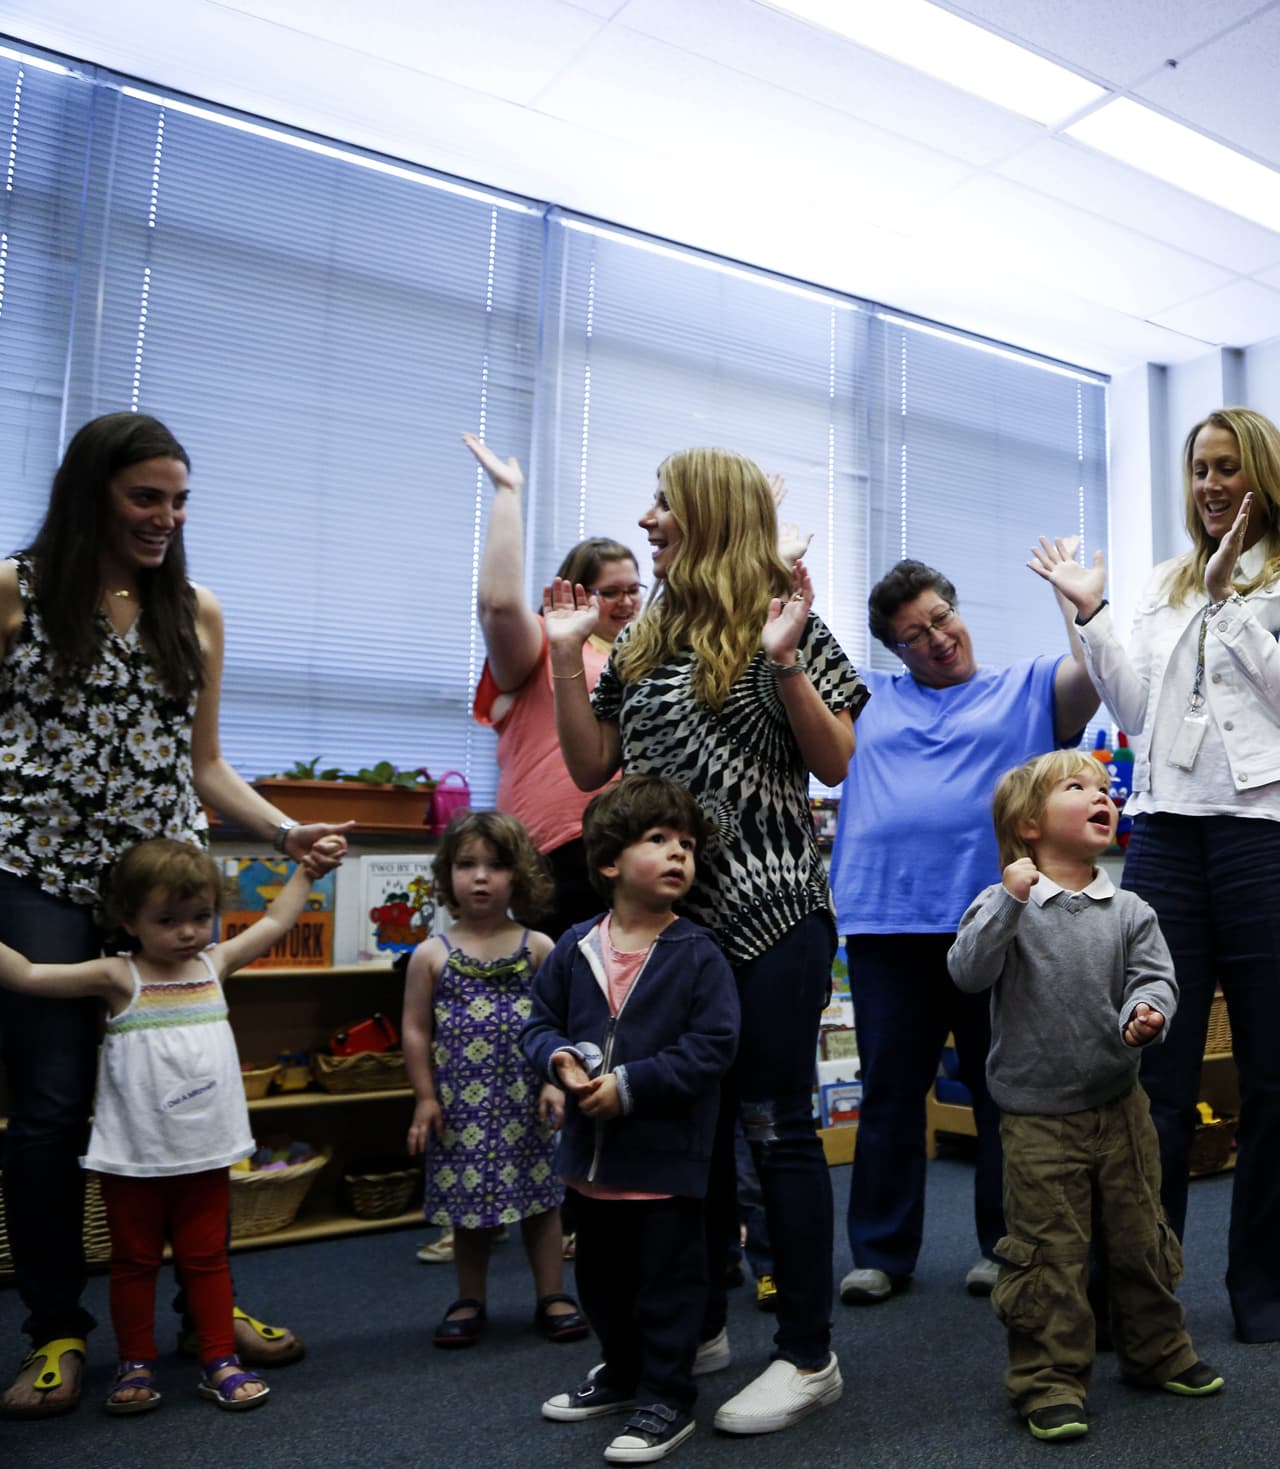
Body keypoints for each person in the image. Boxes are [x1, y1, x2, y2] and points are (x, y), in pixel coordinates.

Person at [0, 412, 351, 1420]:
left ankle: (207, 1307)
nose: (165, 516)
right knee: (56, 1107)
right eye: (144, 496)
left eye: (178, 499)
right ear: (92, 494)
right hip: (36, 876)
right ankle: (58, 1329)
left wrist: (287, 835)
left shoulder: (194, 611)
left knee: (186, 1101)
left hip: (161, 883)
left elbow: (203, 765)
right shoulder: (16, 593)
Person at [547, 447, 866, 1437]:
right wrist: (567, 653)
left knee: (773, 1131)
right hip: (674, 931)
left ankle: (807, 1353)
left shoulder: (788, 609)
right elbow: (592, 762)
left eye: (661, 504)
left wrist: (780, 659)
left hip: (769, 915)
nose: (645, 519)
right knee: (684, 1141)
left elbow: (836, 759)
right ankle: (690, 1332)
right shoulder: (643, 629)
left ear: (706, 512)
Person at [1029, 405, 1280, 1345]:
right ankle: (1140, 1289)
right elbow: (1133, 706)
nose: (1212, 486)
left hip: (1264, 837)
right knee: (1156, 1076)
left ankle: (1262, 1285)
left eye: (1228, 468)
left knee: (1271, 1077)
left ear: (1261, 475)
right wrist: (1089, 611)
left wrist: (1229, 605)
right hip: (1170, 838)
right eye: (1200, 471)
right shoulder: (1164, 582)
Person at [828, 555, 1099, 1307]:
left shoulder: (1025, 685)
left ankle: (1002, 1242)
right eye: (916, 635)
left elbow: (1095, 681)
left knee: (999, 1086)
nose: (939, 637)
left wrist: (1077, 606)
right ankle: (880, 1252)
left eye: (942, 617)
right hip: (887, 919)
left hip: (998, 922)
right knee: (889, 1091)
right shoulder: (866, 696)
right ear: (895, 650)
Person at [947, 751, 1224, 1442]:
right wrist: (1010, 899)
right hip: (1038, 1120)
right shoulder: (1003, 901)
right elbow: (968, 972)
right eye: (1078, 787)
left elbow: (1156, 977)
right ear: (1029, 824)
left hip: (1120, 1107)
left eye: (1106, 789)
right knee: (1048, 1255)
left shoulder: (1129, 907)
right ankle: (1048, 1380)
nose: (1102, 797)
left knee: (1142, 1239)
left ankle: (1157, 1351)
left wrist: (1149, 1010)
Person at [0, 839, 331, 1414]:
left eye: (200, 917)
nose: (187, 933)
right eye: (167, 920)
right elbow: (27, 974)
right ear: (128, 921)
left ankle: (220, 1359)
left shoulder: (214, 964)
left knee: (207, 1262)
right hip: (134, 1160)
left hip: (204, 1156)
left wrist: (308, 871)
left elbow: (278, 919)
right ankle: (134, 1365)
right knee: (133, 1265)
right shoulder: (117, 976)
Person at [524, 774, 739, 1464]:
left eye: (686, 843)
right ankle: (620, 1374)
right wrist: (557, 1060)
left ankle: (667, 1398)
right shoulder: (575, 945)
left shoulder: (698, 953)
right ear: (611, 861)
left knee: (669, 1288)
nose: (679, 853)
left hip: (666, 1163)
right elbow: (540, 1024)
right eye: (658, 839)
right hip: (590, 1165)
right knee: (603, 1283)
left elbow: (713, 1046)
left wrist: (633, 1085)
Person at [401, 809, 588, 1350]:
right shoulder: (431, 954)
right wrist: (424, 1098)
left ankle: (552, 1294)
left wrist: (557, 1082)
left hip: (528, 1102)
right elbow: (415, 1032)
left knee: (543, 1202)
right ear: (448, 875)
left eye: (496, 865)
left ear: (520, 875)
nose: (480, 877)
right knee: (468, 1211)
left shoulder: (538, 947)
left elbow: (562, 1022)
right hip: (460, 1107)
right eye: (466, 864)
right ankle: (470, 1297)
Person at [466, 432, 644, 937]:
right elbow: (498, 606)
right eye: (612, 592)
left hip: (635, 846)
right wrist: (507, 494)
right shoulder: (547, 641)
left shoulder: (647, 653)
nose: (628, 602)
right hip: (560, 849)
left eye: (635, 589)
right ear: (575, 592)